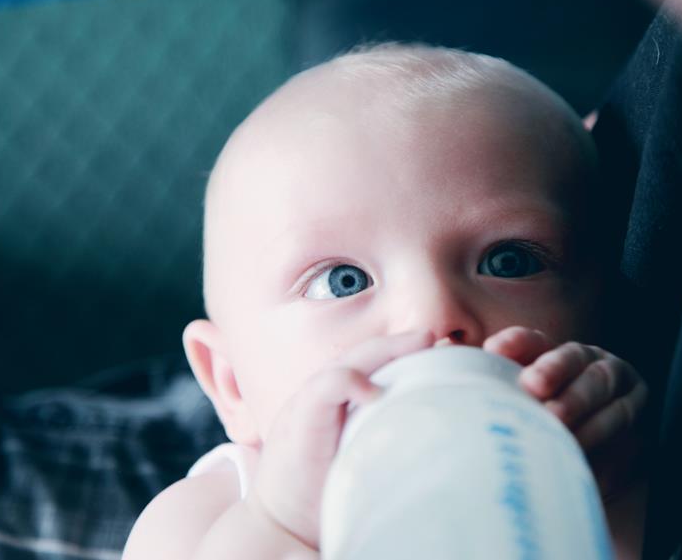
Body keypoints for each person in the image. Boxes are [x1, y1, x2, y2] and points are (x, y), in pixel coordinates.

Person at [122, 43, 649, 560]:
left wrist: (611, 493)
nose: (434, 316)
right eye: (342, 281)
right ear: (231, 385)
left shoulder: (607, 470)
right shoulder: (201, 520)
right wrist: (283, 528)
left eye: (508, 261)